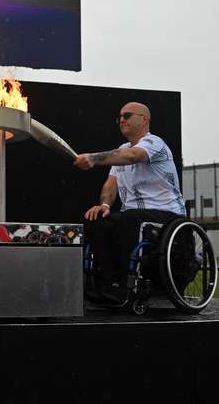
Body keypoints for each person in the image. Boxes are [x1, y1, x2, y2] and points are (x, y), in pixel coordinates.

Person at [73, 102, 186, 304]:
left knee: (129, 219)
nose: (122, 120)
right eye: (120, 117)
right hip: (133, 215)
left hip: (167, 214)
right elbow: (111, 185)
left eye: (127, 115)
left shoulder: (155, 143)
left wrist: (94, 158)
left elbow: (134, 156)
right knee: (98, 221)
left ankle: (124, 282)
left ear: (144, 119)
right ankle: (106, 286)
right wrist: (105, 206)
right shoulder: (121, 150)